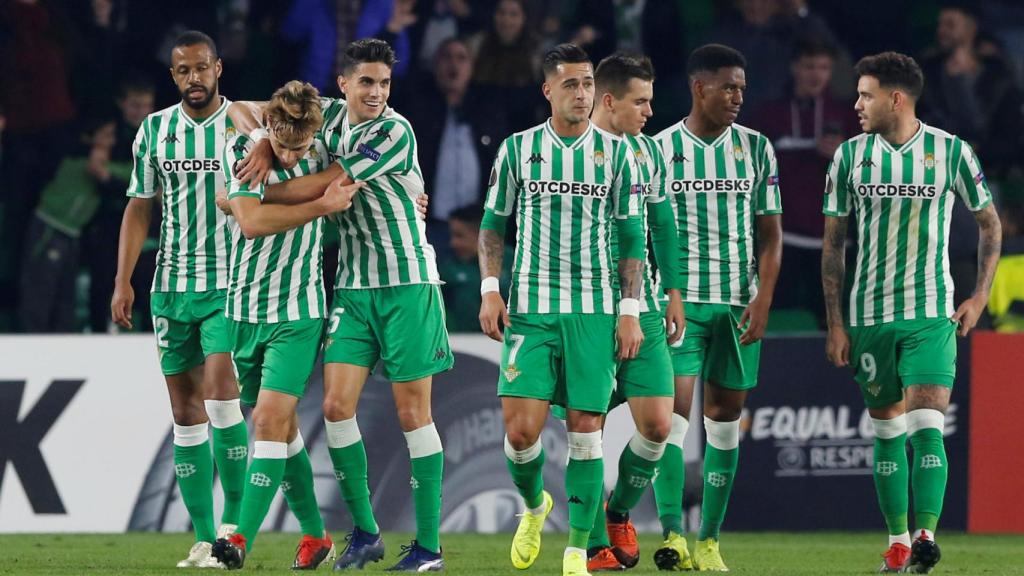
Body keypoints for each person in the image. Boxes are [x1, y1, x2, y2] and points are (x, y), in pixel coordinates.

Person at [227, 38, 451, 572]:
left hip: (407, 285)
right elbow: (238, 107)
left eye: (385, 83)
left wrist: (250, 195)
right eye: (367, 82)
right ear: (343, 84)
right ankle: (367, 534)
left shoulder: (394, 131)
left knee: (413, 414)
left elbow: (331, 183)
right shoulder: (325, 117)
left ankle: (428, 548)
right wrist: (261, 140)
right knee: (333, 409)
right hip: (352, 289)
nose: (377, 93)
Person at [821, 51, 1002, 574]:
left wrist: (979, 296)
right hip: (869, 316)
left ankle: (923, 535)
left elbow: (990, 224)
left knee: (927, 423)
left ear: (895, 98)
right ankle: (898, 540)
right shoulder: (850, 157)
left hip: (930, 312)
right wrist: (836, 323)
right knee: (886, 430)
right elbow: (834, 246)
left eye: (865, 95)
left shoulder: (951, 152)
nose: (856, 103)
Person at [478, 43, 646, 576]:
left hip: (594, 313)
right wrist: (489, 288)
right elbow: (491, 225)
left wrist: (629, 308)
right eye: (571, 84)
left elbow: (631, 236)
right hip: (530, 309)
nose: (582, 93)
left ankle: (577, 550)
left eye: (588, 83)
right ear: (548, 90)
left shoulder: (617, 154)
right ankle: (533, 506)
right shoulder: (517, 149)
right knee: (521, 433)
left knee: (584, 431)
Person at [110, 31, 248, 569]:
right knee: (185, 414)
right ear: (174, 76)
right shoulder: (155, 130)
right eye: (183, 71)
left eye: (202, 68)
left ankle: (233, 531)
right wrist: (124, 279)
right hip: (171, 287)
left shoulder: (244, 124)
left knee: (219, 399)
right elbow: (140, 206)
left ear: (218, 69)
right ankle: (203, 535)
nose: (194, 78)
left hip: (230, 283)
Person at [211, 80, 362, 571]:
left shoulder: (324, 150)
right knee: (284, 429)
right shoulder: (244, 147)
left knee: (268, 422)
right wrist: (319, 204)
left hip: (298, 313)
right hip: (243, 309)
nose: (293, 157)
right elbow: (251, 222)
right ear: (271, 127)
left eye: (300, 147)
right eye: (283, 145)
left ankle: (237, 538)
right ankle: (316, 537)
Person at [651, 43, 783, 571]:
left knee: (725, 418)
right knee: (669, 417)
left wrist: (765, 298)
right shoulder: (657, 149)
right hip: (677, 304)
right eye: (728, 87)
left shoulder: (755, 148)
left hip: (736, 303)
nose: (737, 97)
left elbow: (771, 235)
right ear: (698, 87)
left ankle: (708, 540)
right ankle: (671, 535)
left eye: (743, 89)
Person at [577, 52, 685, 573]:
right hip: (587, 311)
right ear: (609, 99)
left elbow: (661, 225)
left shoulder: (648, 153)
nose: (649, 111)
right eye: (641, 102)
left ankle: (619, 510)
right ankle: (597, 542)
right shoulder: (569, 150)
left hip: (642, 309)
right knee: (587, 428)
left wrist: (675, 292)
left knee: (658, 426)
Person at [751, 38, 858, 325]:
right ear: (794, 68)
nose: (816, 74)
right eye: (809, 66)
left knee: (830, 322)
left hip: (832, 238)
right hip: (782, 237)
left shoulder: (849, 115)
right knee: (772, 316)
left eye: (823, 67)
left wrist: (843, 154)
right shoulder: (769, 114)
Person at [19, 118, 124, 332]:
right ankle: (30, 353)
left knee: (65, 299)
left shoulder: (108, 164)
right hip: (51, 228)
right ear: (89, 138)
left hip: (72, 234)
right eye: (105, 136)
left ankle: (62, 353)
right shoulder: (74, 157)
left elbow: (128, 173)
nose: (110, 142)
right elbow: (94, 168)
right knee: (40, 296)